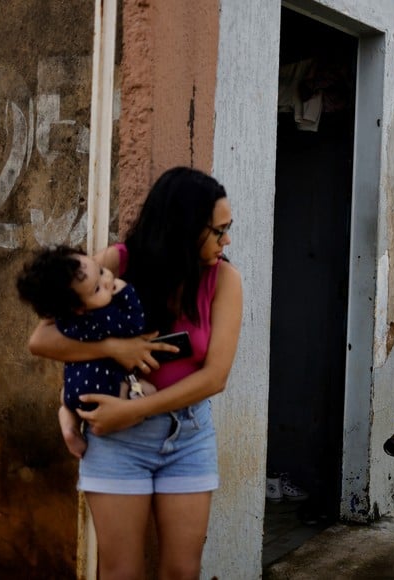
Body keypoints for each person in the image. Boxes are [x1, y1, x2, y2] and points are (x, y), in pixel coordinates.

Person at [27, 167, 243, 579]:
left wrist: (135, 411)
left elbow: (215, 376)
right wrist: (115, 348)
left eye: (227, 228)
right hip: (116, 442)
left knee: (182, 571)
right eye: (217, 231)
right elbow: (41, 338)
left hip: (188, 436)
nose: (226, 240)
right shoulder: (118, 262)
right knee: (121, 572)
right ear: (183, 228)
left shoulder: (225, 281)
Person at [17, 245, 158, 458]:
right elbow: (134, 323)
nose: (107, 281)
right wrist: (124, 290)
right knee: (148, 393)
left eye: (102, 271)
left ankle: (68, 418)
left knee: (69, 396)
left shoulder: (67, 320)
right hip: (100, 388)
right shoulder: (102, 318)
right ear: (80, 308)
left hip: (76, 387)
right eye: (97, 289)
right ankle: (105, 425)